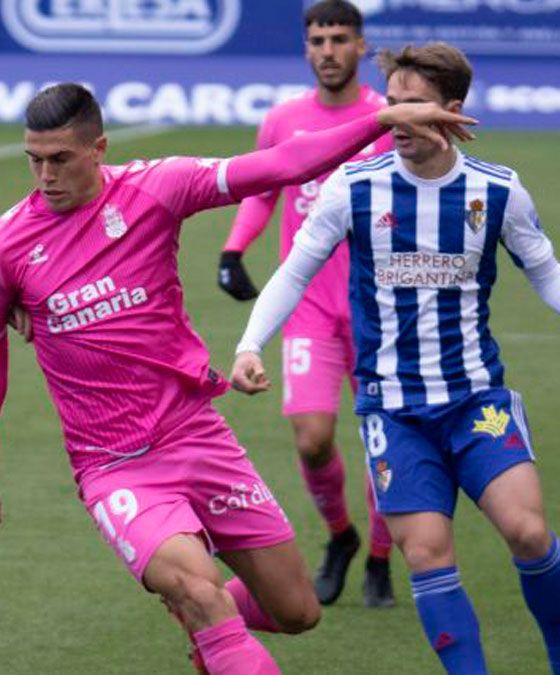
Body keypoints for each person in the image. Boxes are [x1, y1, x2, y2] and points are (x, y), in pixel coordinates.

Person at [0, 82, 473, 673]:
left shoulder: (157, 188)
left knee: (298, 610)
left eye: (59, 159)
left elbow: (281, 164)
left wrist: (381, 119)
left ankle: (211, 630)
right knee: (200, 593)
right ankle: (206, 617)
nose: (44, 175)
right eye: (34, 159)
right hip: (113, 464)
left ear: (98, 148)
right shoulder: (3, 246)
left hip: (198, 435)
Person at [232, 43, 560, 673]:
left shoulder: (496, 191)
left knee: (528, 532)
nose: (395, 121)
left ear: (455, 112)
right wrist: (251, 344)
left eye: (413, 105)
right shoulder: (353, 188)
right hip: (395, 412)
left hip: (476, 400)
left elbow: (544, 272)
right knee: (429, 554)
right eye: (391, 105)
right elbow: (295, 272)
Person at [217, 0, 395, 608]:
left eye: (340, 38)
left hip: (380, 310)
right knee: (312, 438)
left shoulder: (387, 118)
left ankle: (378, 557)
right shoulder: (285, 120)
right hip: (310, 308)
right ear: (305, 48)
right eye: (317, 39)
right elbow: (262, 192)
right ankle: (341, 537)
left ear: (362, 46)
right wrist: (234, 248)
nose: (328, 50)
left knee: (383, 441)